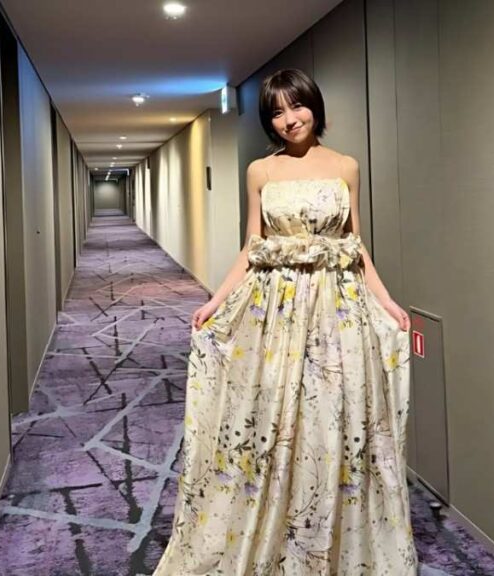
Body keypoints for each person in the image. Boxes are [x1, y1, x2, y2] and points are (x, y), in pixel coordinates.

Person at [153, 68, 418, 575]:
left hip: (337, 308)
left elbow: (356, 245)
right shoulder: (261, 171)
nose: (289, 120)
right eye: (276, 112)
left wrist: (385, 299)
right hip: (277, 307)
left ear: (314, 106)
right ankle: (276, 528)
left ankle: (334, 538)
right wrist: (215, 301)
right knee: (276, 411)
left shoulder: (346, 166)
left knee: (334, 415)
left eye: (296, 107)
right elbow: (251, 247)